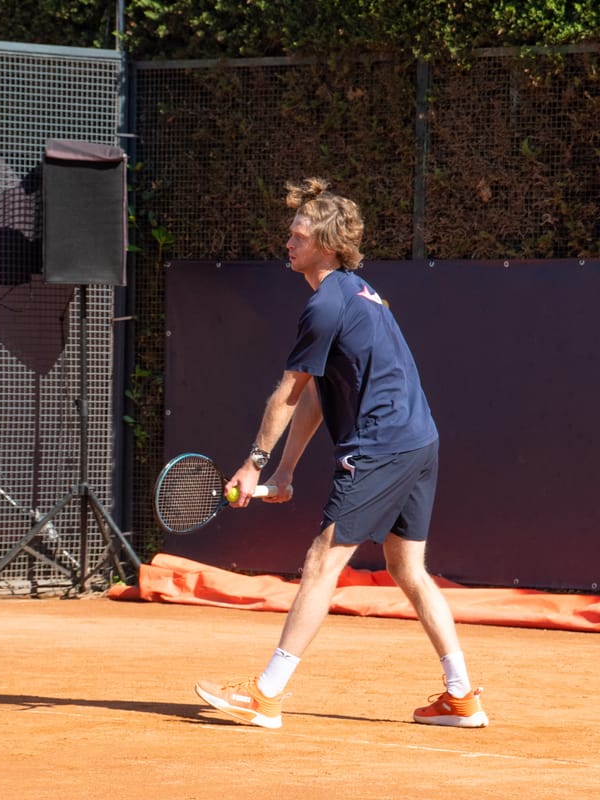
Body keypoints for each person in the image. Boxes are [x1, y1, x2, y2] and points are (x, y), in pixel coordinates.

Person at [194, 178, 488, 730]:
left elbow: (287, 391)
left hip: (382, 445)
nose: (289, 242)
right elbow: (314, 399)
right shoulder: (358, 290)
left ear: (326, 243)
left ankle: (266, 694)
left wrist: (253, 462)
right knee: (408, 568)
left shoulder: (326, 304)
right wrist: (284, 473)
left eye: (298, 235)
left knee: (321, 561)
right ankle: (461, 696)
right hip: (419, 439)